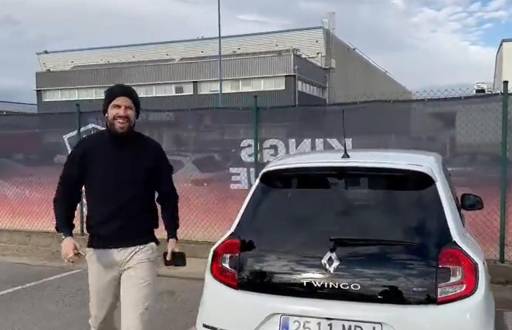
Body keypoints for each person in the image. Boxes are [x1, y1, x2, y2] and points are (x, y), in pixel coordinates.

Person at [53, 83, 179, 330]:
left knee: (136, 325)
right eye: (116, 106)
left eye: (129, 107)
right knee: (100, 322)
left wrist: (173, 234)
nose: (123, 112)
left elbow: (167, 194)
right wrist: (66, 235)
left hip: (140, 250)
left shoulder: (151, 150)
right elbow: (65, 193)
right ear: (106, 112)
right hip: (100, 252)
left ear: (136, 114)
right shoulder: (87, 149)